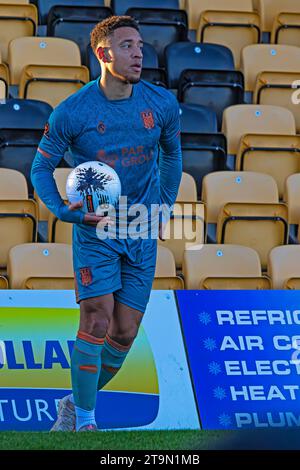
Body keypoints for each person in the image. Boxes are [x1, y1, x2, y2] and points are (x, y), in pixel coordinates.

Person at [31, 15, 182, 432]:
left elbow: (172, 155)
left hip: (141, 229)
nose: (140, 53)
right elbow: (40, 167)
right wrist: (62, 210)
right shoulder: (72, 112)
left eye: (140, 45)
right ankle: (84, 422)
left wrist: (165, 205)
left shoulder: (160, 103)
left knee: (125, 332)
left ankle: (71, 403)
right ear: (103, 53)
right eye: (128, 46)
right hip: (96, 230)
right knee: (96, 318)